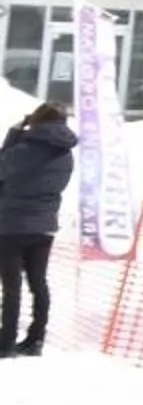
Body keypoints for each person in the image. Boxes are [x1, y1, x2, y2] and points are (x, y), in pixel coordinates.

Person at [0, 102, 78, 358]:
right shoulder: (65, 153)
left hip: (12, 225)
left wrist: (14, 134)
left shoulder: (23, 150)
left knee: (12, 286)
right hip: (45, 225)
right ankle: (36, 339)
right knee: (38, 282)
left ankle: (6, 342)